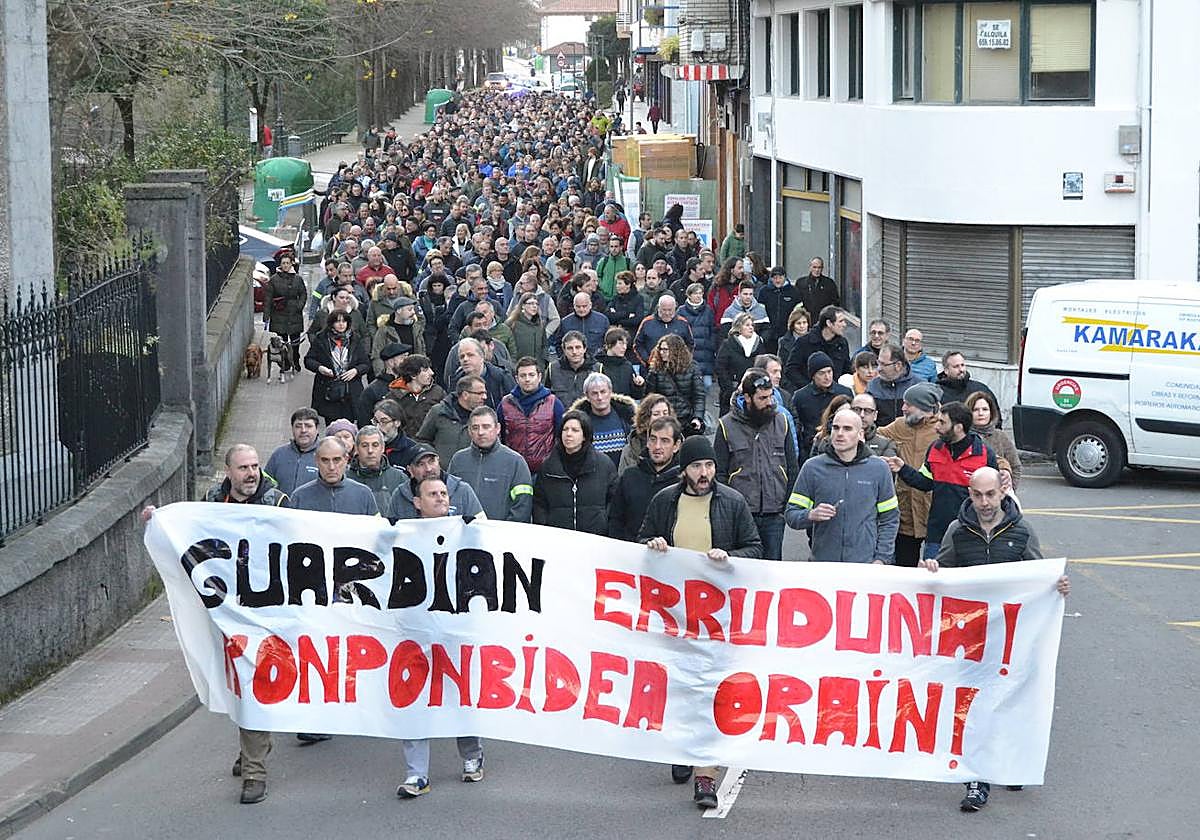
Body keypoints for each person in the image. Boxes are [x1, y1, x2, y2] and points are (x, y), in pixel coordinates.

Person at [919, 466, 1070, 813]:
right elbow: (944, 575)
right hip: (971, 641)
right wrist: (932, 572)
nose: (985, 502)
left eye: (991, 494)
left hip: (1011, 640)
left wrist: (1057, 586)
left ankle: (1010, 764)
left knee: (1008, 702)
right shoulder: (958, 531)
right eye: (977, 495)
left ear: (1003, 492)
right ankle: (977, 779)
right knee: (974, 709)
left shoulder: (1021, 531)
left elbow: (1039, 576)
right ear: (969, 494)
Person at [147, 444, 286, 804]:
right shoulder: (210, 503)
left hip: (264, 615)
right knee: (233, 684)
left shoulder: (278, 504)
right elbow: (183, 535)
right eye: (243, 467)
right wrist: (158, 521)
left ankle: (255, 770)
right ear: (229, 471)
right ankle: (254, 745)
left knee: (255, 685)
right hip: (222, 612)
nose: (252, 473)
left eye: (255, 466)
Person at [638, 435, 763, 808]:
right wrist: (653, 544)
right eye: (696, 466)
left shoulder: (733, 502)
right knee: (678, 687)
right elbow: (640, 540)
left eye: (708, 466)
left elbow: (755, 547)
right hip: (675, 614)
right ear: (684, 469)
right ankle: (682, 747)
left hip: (717, 617)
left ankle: (705, 778)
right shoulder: (665, 501)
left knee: (710, 689)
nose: (704, 473)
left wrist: (730, 557)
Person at [396, 473, 486, 799]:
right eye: (432, 494)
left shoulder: (466, 531)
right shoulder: (402, 536)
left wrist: (472, 531)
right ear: (417, 503)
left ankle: (472, 756)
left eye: (444, 493)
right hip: (416, 631)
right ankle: (416, 774)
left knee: (459, 695)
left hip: (454, 630)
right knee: (413, 699)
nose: (440, 498)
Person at [883, 400, 998, 560]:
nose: (936, 426)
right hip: (937, 536)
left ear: (958, 427)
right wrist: (903, 469)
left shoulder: (984, 455)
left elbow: (995, 497)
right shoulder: (935, 449)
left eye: (942, 422)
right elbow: (925, 482)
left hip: (972, 534)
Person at [785, 407, 899, 564]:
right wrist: (810, 515)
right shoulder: (812, 467)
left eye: (847, 429)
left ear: (860, 435)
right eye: (836, 428)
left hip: (865, 564)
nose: (840, 433)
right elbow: (791, 514)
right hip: (824, 563)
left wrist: (881, 558)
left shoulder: (879, 469)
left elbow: (890, 518)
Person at [715, 369, 799, 560]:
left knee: (772, 570)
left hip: (774, 514)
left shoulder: (782, 421)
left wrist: (785, 507)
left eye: (770, 396)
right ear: (747, 397)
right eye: (762, 398)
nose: (769, 402)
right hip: (742, 514)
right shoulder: (726, 426)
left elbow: (792, 467)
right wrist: (729, 509)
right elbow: (719, 474)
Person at [874, 382, 942, 567]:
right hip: (905, 513)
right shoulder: (900, 426)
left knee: (936, 571)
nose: (903, 408)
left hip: (934, 512)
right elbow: (874, 435)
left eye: (908, 404)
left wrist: (1003, 468)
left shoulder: (943, 428)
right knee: (904, 569)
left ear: (925, 408)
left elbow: (976, 447)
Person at [533, 410, 617, 534]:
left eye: (575, 430)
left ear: (584, 436)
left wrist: (605, 525)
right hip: (558, 539)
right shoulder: (548, 466)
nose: (569, 434)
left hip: (596, 539)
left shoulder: (604, 464)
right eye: (565, 429)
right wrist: (545, 527)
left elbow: (614, 500)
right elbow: (539, 503)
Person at [448, 406, 533, 522]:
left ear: (497, 428)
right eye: (475, 427)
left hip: (501, 535)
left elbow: (522, 505)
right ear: (469, 431)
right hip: (465, 534)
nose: (480, 432)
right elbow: (449, 498)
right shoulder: (458, 460)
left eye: (486, 427)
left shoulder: (515, 462)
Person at [609, 417, 682, 540]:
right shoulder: (629, 476)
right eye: (653, 440)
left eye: (664, 441)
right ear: (647, 442)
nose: (657, 446)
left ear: (676, 445)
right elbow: (615, 519)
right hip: (629, 552)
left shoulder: (683, 482)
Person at [499, 357, 564, 475]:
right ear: (516, 379)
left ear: (539, 377)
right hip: (513, 470)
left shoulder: (554, 403)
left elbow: (561, 436)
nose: (527, 379)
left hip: (545, 470)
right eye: (523, 376)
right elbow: (499, 436)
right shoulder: (505, 404)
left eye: (531, 375)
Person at [305, 311, 370, 425]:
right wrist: (320, 368)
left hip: (350, 391)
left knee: (348, 428)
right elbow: (309, 360)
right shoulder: (322, 339)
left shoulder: (355, 339)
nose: (341, 324)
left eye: (344, 321)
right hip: (329, 391)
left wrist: (356, 371)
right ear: (331, 323)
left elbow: (365, 363)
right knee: (332, 427)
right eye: (337, 321)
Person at [387, 445, 483, 520]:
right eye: (421, 464)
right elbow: (390, 535)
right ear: (410, 470)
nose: (428, 469)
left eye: (431, 461)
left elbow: (481, 527)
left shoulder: (463, 490)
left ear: (438, 461)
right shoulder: (400, 495)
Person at [291, 437, 379, 515]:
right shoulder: (299, 497)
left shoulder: (364, 494)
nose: (331, 467)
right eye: (325, 460)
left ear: (346, 460)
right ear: (316, 461)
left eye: (336, 460)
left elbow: (376, 530)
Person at [791, 351, 854, 459]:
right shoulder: (800, 397)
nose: (827, 376)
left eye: (829, 372)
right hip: (809, 449)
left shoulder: (844, 392)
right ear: (813, 376)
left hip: (839, 445)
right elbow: (797, 427)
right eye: (822, 373)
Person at [416, 374, 488, 466]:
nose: (484, 397)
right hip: (443, 475)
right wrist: (433, 459)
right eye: (480, 393)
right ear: (465, 395)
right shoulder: (439, 412)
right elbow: (422, 439)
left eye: (485, 393)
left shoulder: (485, 417)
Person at [644, 333, 706, 436]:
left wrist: (697, 417)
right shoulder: (655, 370)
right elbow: (649, 397)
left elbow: (699, 396)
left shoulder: (692, 368)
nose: (662, 352)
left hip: (686, 419)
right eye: (660, 349)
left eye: (665, 350)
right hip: (664, 419)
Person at [570, 371, 636, 467]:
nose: (600, 397)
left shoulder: (627, 416)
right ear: (587, 396)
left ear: (610, 392)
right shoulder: (579, 422)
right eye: (594, 393)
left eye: (603, 392)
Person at [783, 305, 851, 390]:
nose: (844, 325)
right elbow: (791, 370)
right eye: (841, 321)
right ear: (829, 323)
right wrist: (809, 388)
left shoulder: (842, 343)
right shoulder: (804, 342)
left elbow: (847, 370)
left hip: (834, 395)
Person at [346, 425, 408, 513]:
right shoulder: (345, 478)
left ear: (382, 448)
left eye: (375, 445)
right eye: (364, 445)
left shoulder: (399, 479)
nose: (370, 450)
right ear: (356, 449)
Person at [967, 390, 1022, 489]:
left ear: (991, 412)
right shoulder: (963, 436)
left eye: (985, 409)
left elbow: (1015, 466)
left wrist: (1008, 490)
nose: (980, 413)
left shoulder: (1000, 436)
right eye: (975, 410)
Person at [263, 250, 306, 373]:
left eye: (288, 263)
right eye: (283, 263)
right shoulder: (274, 280)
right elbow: (268, 298)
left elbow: (303, 293)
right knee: (282, 342)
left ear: (291, 264)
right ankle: (285, 362)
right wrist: (267, 316)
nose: (286, 265)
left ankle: (295, 359)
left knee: (295, 341)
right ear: (280, 265)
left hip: (294, 314)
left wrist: (299, 306)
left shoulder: (298, 279)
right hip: (279, 313)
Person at [714, 312, 765, 414]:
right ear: (739, 327)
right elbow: (720, 367)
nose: (751, 328)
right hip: (731, 390)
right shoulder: (728, 344)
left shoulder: (759, 344)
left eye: (752, 325)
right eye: (747, 325)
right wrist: (729, 387)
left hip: (753, 391)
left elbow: (762, 367)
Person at [264, 407, 320, 495]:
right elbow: (265, 485)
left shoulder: (326, 455)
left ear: (317, 429)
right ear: (292, 429)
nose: (303, 430)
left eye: (308, 426)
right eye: (298, 426)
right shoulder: (279, 454)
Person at [866, 343, 923, 427]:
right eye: (878, 363)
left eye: (884, 364)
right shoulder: (872, 386)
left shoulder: (918, 386)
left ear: (898, 365)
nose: (879, 368)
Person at [618, 393, 674, 474]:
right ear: (646, 418)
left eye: (665, 413)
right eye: (656, 414)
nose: (662, 417)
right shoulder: (631, 450)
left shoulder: (679, 444)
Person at [633, 293, 694, 366]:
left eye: (670, 310)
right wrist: (648, 361)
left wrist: (682, 361)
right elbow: (637, 345)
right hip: (651, 369)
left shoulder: (683, 323)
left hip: (677, 370)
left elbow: (690, 344)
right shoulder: (647, 322)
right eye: (664, 310)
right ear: (658, 308)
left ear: (675, 308)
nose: (667, 313)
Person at [357, 342, 411, 424]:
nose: (407, 362)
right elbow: (364, 422)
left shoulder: (411, 384)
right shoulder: (372, 390)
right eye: (403, 358)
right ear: (390, 362)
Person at [546, 330, 600, 408]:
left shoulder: (597, 369)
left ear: (584, 349)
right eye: (570, 348)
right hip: (561, 416)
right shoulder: (553, 369)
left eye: (578, 347)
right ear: (564, 350)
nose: (574, 352)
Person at [757, 266, 802, 355]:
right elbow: (760, 313)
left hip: (787, 333)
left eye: (780, 277)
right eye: (775, 278)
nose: (777, 280)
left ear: (785, 277)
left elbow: (798, 312)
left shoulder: (794, 291)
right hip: (769, 334)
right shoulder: (764, 291)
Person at [555, 290, 610, 357]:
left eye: (584, 306)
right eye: (578, 306)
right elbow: (558, 344)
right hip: (572, 362)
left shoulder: (602, 320)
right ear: (574, 306)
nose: (581, 309)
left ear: (590, 305)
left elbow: (608, 342)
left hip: (597, 361)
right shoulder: (565, 322)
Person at [506, 292, 549, 369]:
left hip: (538, 367)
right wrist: (512, 364)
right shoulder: (512, 323)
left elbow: (544, 345)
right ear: (523, 305)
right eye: (531, 303)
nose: (534, 306)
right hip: (519, 367)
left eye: (536, 304)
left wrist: (544, 362)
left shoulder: (540, 324)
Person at [598, 326, 643, 399]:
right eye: (621, 343)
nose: (624, 347)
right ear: (610, 344)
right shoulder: (598, 365)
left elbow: (636, 396)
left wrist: (638, 385)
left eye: (625, 344)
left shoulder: (627, 366)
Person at [850, 393, 898, 459]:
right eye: (857, 409)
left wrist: (863, 447)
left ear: (875, 415)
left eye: (868, 411)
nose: (862, 415)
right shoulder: (838, 438)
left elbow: (886, 468)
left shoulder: (887, 444)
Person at [777, 305, 811, 369]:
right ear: (792, 325)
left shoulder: (816, 339)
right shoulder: (783, 342)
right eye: (798, 323)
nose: (802, 326)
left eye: (804, 322)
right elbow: (782, 365)